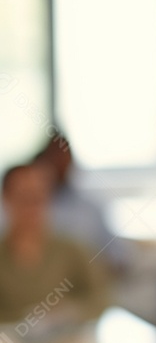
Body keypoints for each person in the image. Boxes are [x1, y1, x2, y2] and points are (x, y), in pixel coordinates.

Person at [0, 163, 110, 332]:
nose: (32, 208)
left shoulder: (73, 249)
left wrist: (70, 312)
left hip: (66, 342)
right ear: (6, 198)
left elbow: (102, 298)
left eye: (38, 198)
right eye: (24, 198)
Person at [32, 132, 126, 271]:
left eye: (64, 157)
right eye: (54, 157)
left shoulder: (91, 209)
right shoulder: (25, 209)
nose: (59, 163)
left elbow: (119, 257)